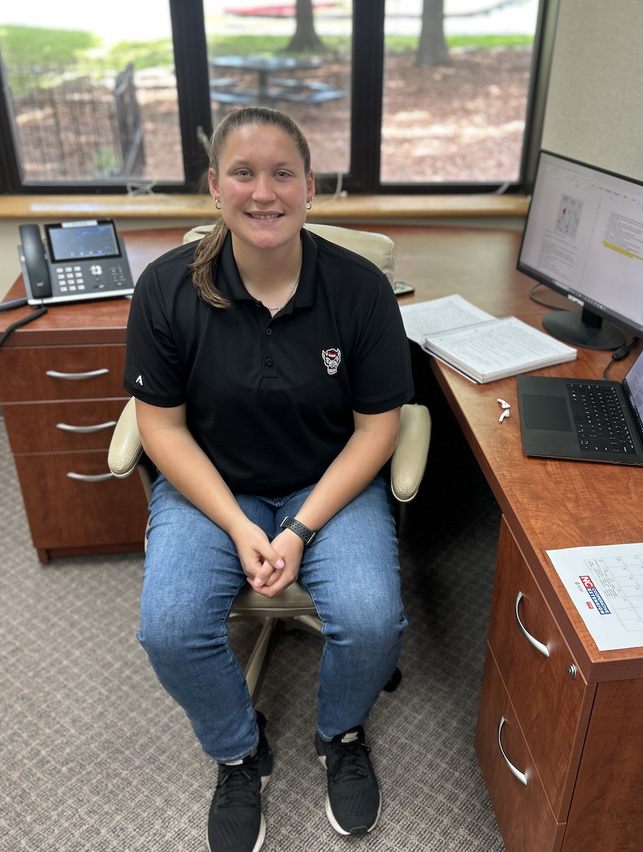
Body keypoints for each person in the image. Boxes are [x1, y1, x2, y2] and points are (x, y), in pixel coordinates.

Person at [123, 106, 414, 852]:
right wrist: (239, 523)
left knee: (373, 619)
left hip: (327, 485)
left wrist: (300, 528)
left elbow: (378, 430)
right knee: (170, 629)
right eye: (243, 174)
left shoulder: (359, 291)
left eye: (283, 173)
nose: (263, 192)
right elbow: (161, 426)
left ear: (310, 186)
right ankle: (237, 751)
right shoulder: (165, 288)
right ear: (214, 186)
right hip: (214, 488)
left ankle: (339, 733)